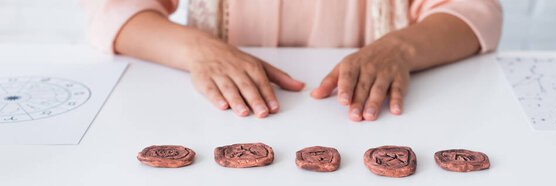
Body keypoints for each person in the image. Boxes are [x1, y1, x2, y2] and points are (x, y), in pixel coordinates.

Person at [80, 0, 502, 121]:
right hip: (225, 116)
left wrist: (401, 49)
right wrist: (197, 50)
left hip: (364, 118)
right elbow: (110, 11)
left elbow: (476, 11)